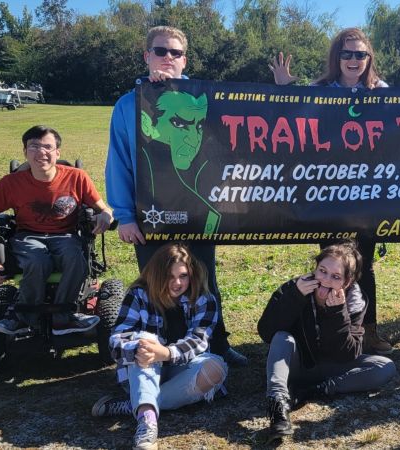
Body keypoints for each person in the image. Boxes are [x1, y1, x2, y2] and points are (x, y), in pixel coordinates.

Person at [105, 26, 247, 365]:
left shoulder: (206, 99)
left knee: (203, 280)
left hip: (197, 211)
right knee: (159, 282)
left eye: (176, 53)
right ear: (146, 55)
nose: (168, 58)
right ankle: (164, 352)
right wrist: (124, 215)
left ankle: (218, 345)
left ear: (186, 59)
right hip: (150, 215)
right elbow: (119, 160)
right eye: (160, 51)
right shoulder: (129, 104)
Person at [268, 27, 392, 354]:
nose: (354, 60)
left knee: (364, 263)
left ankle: (368, 330)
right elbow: (296, 117)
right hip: (329, 193)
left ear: (369, 58)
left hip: (368, 193)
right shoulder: (319, 89)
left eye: (360, 54)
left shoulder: (381, 90)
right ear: (337, 57)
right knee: (334, 262)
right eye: (347, 54)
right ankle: (329, 326)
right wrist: (285, 88)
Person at [0, 125, 113, 335]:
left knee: (76, 258)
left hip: (66, 235)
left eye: (48, 147)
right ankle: (24, 317)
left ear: (58, 152)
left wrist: (104, 215)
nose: (41, 153)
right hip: (28, 236)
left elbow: (104, 209)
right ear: (25, 152)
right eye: (34, 147)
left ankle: (63, 317)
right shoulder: (11, 183)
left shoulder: (77, 177)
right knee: (38, 261)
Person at [91, 243, 228, 450]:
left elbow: (199, 341)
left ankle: (135, 405)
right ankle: (147, 423)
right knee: (144, 342)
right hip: (142, 373)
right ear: (157, 275)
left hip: (182, 369)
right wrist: (140, 349)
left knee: (217, 368)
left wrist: (165, 353)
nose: (177, 283)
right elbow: (116, 340)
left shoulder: (203, 298)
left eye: (183, 276)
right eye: (170, 277)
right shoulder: (138, 295)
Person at [257, 241, 397, 440]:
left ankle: (314, 391)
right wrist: (295, 297)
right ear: (315, 268)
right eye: (322, 271)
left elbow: (348, 354)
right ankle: (278, 405)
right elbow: (266, 332)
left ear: (347, 282)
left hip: (333, 368)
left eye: (336, 276)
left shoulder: (355, 300)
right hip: (299, 365)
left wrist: (336, 313)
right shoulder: (294, 287)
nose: (326, 280)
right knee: (281, 338)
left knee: (386, 366)